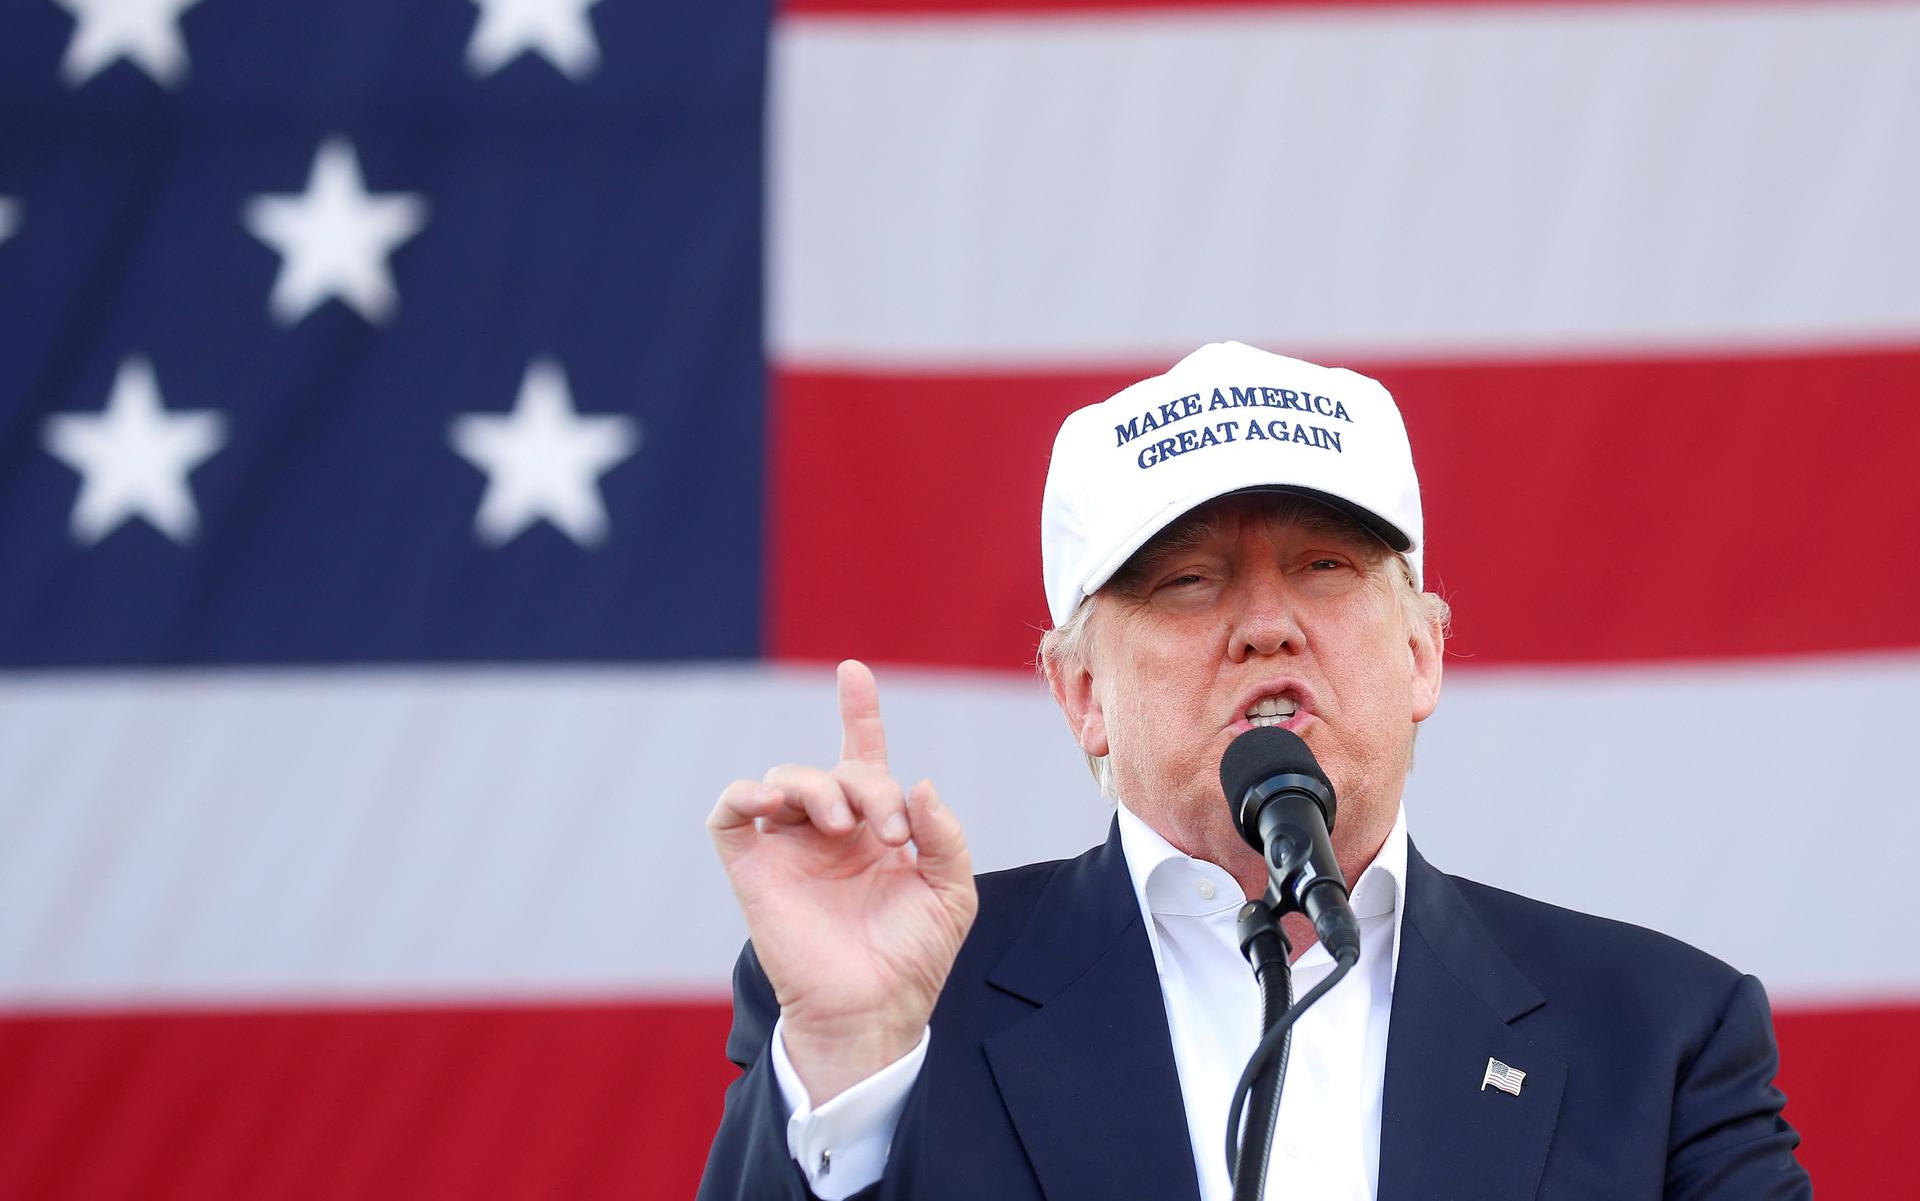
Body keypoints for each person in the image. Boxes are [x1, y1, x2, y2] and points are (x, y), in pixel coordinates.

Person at [699, 342, 1811, 1200]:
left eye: (1326, 567)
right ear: (1081, 691)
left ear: (1422, 652)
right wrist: (850, 1062)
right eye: (1189, 579)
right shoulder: (904, 1005)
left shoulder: (1659, 1033)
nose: (1267, 622)